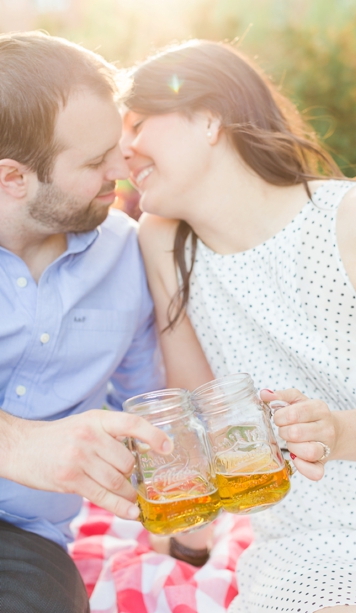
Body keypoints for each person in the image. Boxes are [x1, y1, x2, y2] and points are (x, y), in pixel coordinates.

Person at [120, 41, 356, 613]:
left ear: (208, 119)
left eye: (139, 124)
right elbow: (197, 414)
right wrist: (187, 529)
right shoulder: (163, 241)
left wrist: (338, 432)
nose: (125, 149)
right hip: (291, 547)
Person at [0, 33, 171, 613]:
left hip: (22, 546)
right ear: (12, 178)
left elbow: (149, 399)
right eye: (95, 161)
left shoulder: (127, 251)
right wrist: (19, 442)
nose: (123, 167)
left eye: (115, 146)